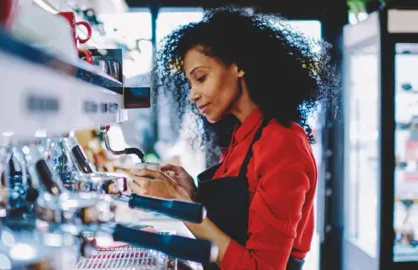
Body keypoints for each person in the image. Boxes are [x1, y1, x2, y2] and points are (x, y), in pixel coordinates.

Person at [129, 6, 339, 270]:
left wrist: (179, 203)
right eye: (190, 84)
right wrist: (189, 195)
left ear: (238, 66)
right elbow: (235, 227)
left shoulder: (282, 142)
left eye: (201, 78)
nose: (193, 95)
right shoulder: (244, 134)